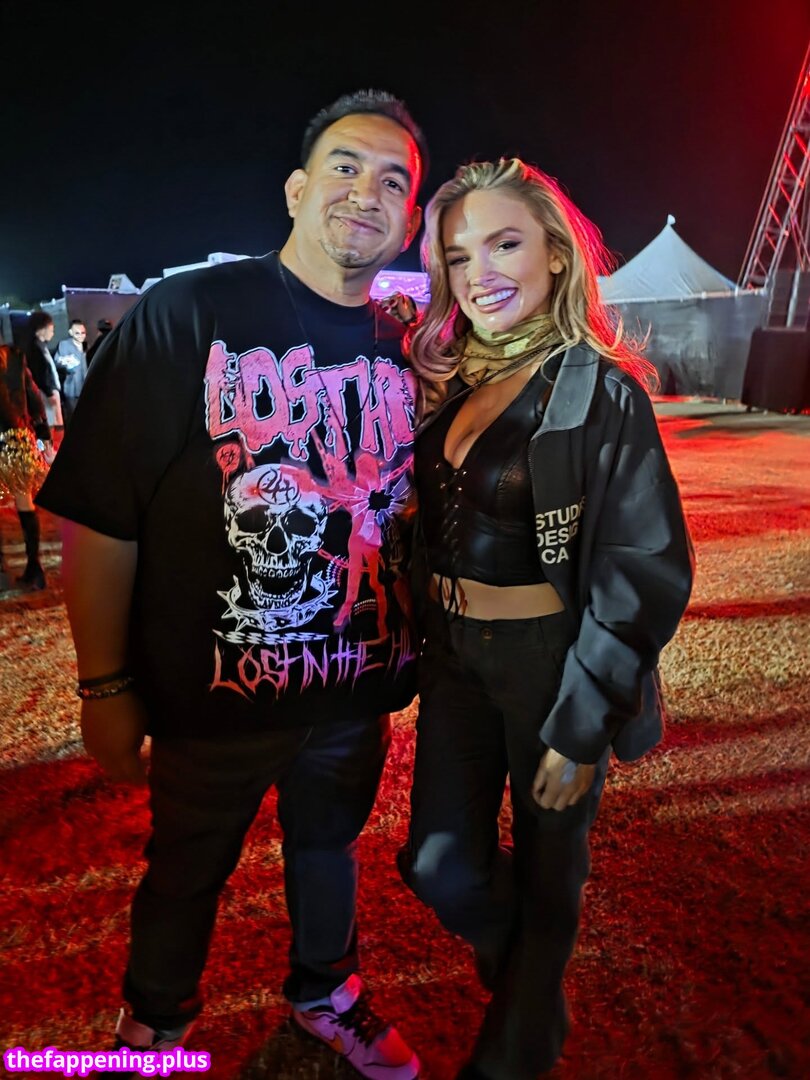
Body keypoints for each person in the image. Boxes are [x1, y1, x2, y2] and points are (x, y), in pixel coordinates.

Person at [36, 88, 428, 1080]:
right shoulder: (189, 313)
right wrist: (105, 684)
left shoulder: (406, 348)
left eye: (394, 181)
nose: (367, 193)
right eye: (345, 166)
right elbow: (100, 513)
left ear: (412, 219)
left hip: (352, 687)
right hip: (214, 695)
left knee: (329, 849)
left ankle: (325, 992)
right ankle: (153, 1028)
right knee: (185, 869)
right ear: (296, 189)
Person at [397, 158, 694, 1080]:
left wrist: (583, 718)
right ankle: (530, 975)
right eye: (458, 255)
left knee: (549, 861)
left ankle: (519, 1043)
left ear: (557, 255)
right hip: (453, 657)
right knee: (436, 863)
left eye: (504, 243)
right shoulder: (450, 381)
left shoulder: (600, 393)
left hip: (549, 659)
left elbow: (641, 565)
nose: (478, 272)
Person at [0, 339, 51, 591]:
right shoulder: (15, 356)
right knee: (24, 501)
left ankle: (1, 572)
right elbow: (32, 394)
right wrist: (42, 432)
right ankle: (35, 568)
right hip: (19, 436)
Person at [24, 311, 63, 430]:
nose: (52, 333)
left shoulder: (41, 346)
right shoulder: (35, 349)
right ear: (41, 329)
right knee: (52, 425)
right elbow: (40, 373)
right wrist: (49, 393)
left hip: (48, 391)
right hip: (45, 393)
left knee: (55, 424)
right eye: (51, 330)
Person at [52, 318, 88, 425]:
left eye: (83, 333)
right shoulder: (64, 345)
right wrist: (67, 364)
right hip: (71, 387)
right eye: (77, 333)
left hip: (84, 386)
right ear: (71, 332)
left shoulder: (85, 345)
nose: (81, 335)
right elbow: (57, 362)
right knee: (73, 417)